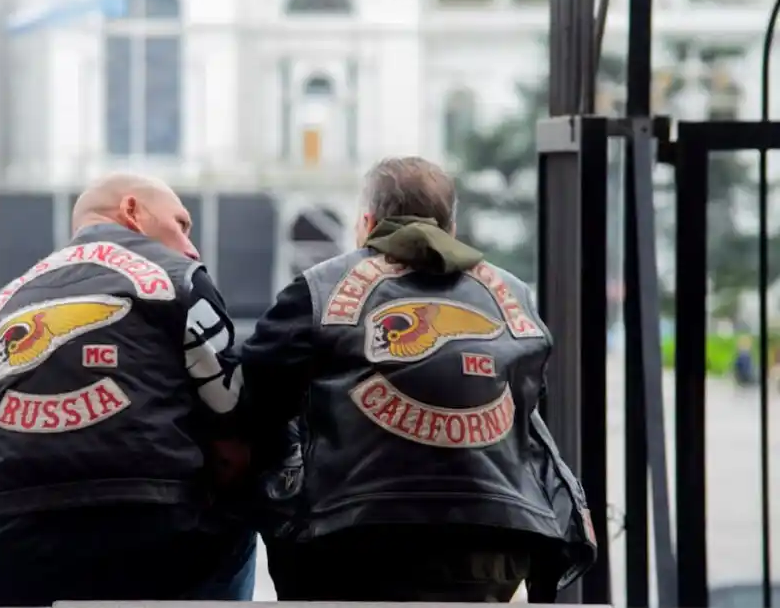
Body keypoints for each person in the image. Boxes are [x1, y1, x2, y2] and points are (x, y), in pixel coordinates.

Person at [241, 156, 597, 602]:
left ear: (367, 223)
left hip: (354, 539)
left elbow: (254, 398)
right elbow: (529, 404)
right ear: (450, 228)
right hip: (495, 540)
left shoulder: (320, 288)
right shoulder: (515, 295)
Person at [0, 173, 256, 605]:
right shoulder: (181, 279)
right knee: (239, 528)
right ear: (132, 210)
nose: (191, 246)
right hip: (154, 549)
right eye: (182, 224)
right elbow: (234, 416)